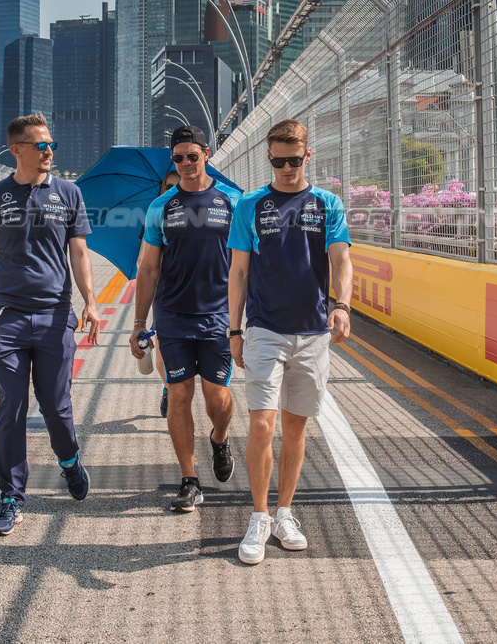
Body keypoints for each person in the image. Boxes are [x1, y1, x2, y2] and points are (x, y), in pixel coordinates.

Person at [0, 113, 101, 536]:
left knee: (56, 406)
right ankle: (11, 498)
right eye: (40, 145)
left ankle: (68, 461)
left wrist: (92, 302)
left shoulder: (69, 193)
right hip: (6, 316)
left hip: (54, 316)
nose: (49, 151)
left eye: (51, 144)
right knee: (11, 407)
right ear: (17, 149)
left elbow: (79, 253)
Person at [226, 118, 352, 564]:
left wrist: (342, 305)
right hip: (264, 329)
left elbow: (341, 260)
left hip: (313, 332)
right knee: (263, 424)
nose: (284, 168)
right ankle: (258, 517)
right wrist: (234, 329)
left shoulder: (327, 203)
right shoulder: (250, 205)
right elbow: (238, 272)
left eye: (293, 160)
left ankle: (284, 512)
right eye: (277, 160)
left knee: (296, 428)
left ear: (307, 156)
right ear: (268, 157)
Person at [130, 125, 241, 512]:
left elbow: (248, 264)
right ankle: (189, 479)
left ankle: (220, 438)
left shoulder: (233, 200)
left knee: (217, 398)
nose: (186, 164)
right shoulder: (161, 207)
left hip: (219, 317)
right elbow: (147, 270)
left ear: (206, 154)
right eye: (178, 158)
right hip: (174, 316)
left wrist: (248, 317)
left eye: (192, 156)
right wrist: (139, 324)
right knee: (178, 395)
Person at [136, 170, 182, 419]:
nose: (174, 189)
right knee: (164, 354)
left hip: (202, 295)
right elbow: (142, 262)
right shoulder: (155, 213)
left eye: (179, 184)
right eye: (169, 186)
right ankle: (167, 388)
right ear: (162, 189)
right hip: (165, 293)